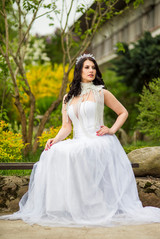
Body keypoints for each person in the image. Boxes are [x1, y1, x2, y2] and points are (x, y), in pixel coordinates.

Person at [1, 53, 160, 227]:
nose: (91, 70)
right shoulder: (67, 98)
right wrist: (54, 139)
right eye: (87, 67)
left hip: (99, 140)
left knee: (80, 151)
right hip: (78, 139)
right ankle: (63, 206)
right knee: (55, 150)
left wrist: (112, 129)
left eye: (93, 67)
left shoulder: (101, 92)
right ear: (79, 71)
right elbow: (66, 127)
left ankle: (92, 206)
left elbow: (123, 112)